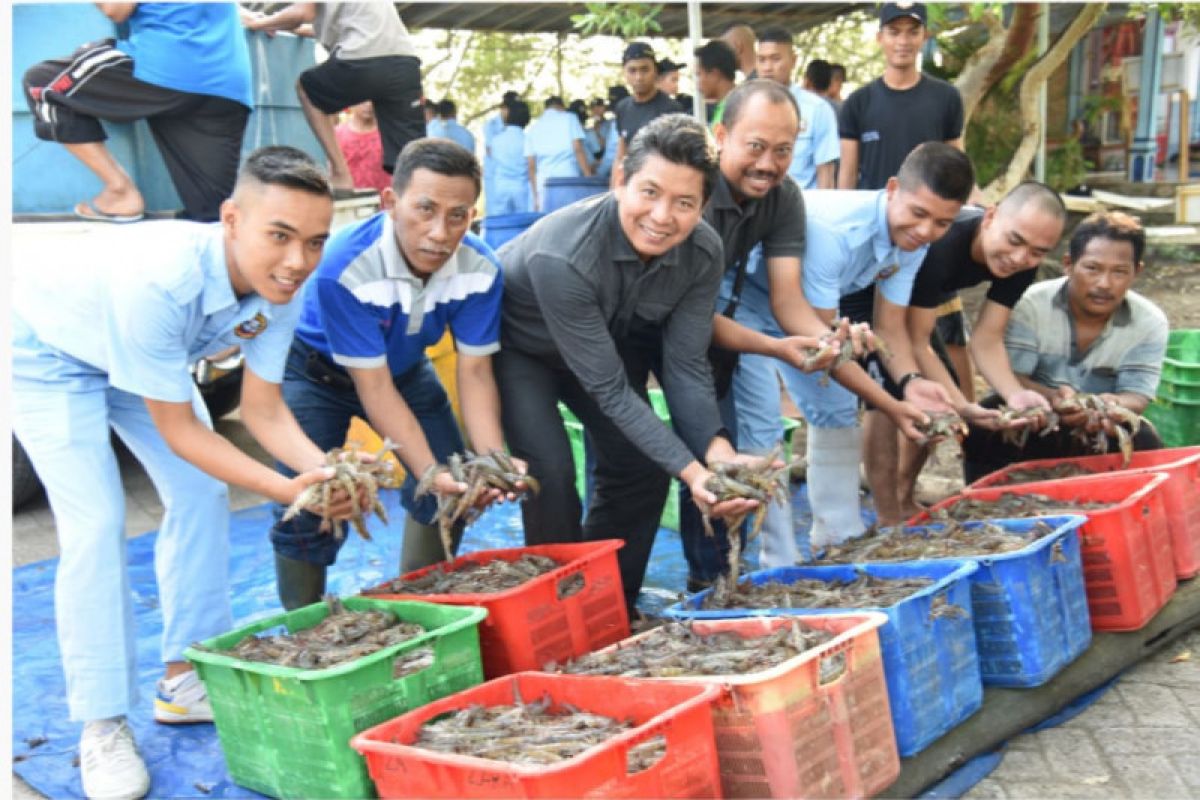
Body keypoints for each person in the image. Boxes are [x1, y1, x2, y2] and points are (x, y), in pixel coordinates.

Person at [11, 146, 345, 800]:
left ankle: (185, 677)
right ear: (230, 219)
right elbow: (182, 431)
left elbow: (264, 409)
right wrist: (286, 490)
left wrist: (328, 471)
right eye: (279, 236)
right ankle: (101, 723)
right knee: (97, 522)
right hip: (47, 351)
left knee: (199, 492)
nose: (297, 261)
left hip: (140, 357)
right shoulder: (163, 280)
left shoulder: (283, 286)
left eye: (313, 242)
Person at [496, 114, 764, 613]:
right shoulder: (566, 252)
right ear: (620, 179)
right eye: (649, 192)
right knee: (549, 475)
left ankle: (609, 603)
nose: (663, 216)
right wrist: (693, 473)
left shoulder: (703, 252)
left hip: (602, 346)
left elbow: (684, 364)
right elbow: (610, 391)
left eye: (684, 203)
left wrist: (716, 449)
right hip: (524, 350)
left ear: (704, 206)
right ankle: (557, 611)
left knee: (640, 464)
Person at [269, 138, 519, 608]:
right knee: (308, 501)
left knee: (455, 484)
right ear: (390, 202)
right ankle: (305, 625)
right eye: (424, 209)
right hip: (316, 375)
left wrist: (493, 460)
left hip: (406, 370)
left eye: (458, 215)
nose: (441, 232)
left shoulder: (482, 268)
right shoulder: (343, 268)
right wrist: (425, 471)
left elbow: (477, 373)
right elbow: (373, 389)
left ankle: (419, 600)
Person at [748, 143, 973, 551]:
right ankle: (779, 560)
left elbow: (892, 327)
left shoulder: (914, 242)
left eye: (942, 223)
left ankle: (837, 537)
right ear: (892, 189)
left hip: (808, 315)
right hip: (752, 303)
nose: (925, 232)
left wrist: (909, 382)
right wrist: (890, 405)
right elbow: (822, 345)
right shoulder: (836, 231)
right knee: (762, 424)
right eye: (918, 214)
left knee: (835, 408)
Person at [677, 80, 844, 589]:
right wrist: (775, 348)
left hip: (705, 336)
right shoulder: (693, 192)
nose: (768, 164)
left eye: (783, 151)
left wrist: (829, 341)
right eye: (755, 147)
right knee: (631, 475)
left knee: (720, 462)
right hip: (646, 332)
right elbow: (686, 317)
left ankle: (714, 588)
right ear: (721, 134)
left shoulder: (783, 198)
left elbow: (788, 300)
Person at [876, 182, 1069, 524]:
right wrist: (963, 405)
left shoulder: (1022, 264)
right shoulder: (942, 244)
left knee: (938, 403)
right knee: (887, 400)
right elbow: (915, 341)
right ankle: (886, 510)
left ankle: (904, 496)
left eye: (1038, 252)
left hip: (916, 303)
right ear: (990, 216)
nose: (1021, 258)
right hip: (873, 293)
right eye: (1015, 240)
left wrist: (1015, 394)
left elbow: (987, 339)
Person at [963, 211, 1168, 483]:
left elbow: (1137, 397)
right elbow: (1013, 379)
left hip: (1099, 424)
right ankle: (982, 498)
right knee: (984, 426)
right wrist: (1054, 398)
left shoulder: (1149, 322)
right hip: (1035, 416)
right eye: (1092, 268)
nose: (1104, 284)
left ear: (1137, 272)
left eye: (1119, 272)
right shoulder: (1030, 305)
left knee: (1144, 439)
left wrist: (1110, 405)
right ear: (1069, 264)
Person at [23, 2, 252, 222]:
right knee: (214, 212)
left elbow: (117, 9)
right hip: (227, 84)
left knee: (43, 84)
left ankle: (120, 191)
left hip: (163, 68)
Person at [241, 2, 425, 194]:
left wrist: (258, 23)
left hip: (364, 58)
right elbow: (347, 24)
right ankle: (417, 195)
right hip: (405, 63)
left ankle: (340, 172)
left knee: (308, 88)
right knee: (408, 156)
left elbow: (301, 13)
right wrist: (286, 26)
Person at [838, 3, 966, 192]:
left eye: (913, 32)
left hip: (928, 214)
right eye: (894, 32)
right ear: (880, 38)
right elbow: (847, 175)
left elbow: (956, 167)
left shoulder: (947, 97)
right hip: (875, 214)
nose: (903, 41)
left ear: (924, 37)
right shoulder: (857, 102)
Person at [755, 26, 839, 190]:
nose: (767, 67)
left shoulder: (817, 109)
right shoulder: (747, 108)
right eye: (762, 60)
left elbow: (826, 174)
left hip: (805, 209)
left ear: (793, 60)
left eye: (775, 59)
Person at [611, 42, 681, 186]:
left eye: (644, 70)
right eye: (632, 70)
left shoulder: (671, 109)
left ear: (655, 71)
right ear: (624, 72)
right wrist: (614, 192)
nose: (639, 77)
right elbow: (621, 156)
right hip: (633, 186)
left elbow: (677, 158)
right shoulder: (623, 108)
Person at [524, 96, 593, 211]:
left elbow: (531, 167)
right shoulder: (570, 118)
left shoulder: (532, 128)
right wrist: (588, 177)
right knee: (570, 221)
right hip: (568, 180)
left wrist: (536, 197)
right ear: (561, 107)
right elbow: (578, 150)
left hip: (544, 185)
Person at [486, 100, 533, 216]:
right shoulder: (527, 140)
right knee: (523, 224)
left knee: (501, 222)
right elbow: (531, 167)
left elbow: (492, 161)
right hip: (521, 187)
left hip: (500, 186)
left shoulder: (496, 141)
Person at [335, 101, 393, 193]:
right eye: (363, 100)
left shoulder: (389, 132)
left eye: (372, 100)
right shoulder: (338, 134)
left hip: (386, 200)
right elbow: (335, 172)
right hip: (353, 201)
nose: (368, 104)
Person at [694, 39, 738, 126]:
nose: (697, 85)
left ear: (714, 74)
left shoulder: (737, 109)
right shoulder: (722, 107)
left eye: (699, 75)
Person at [589, 97, 620, 179]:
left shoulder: (611, 123)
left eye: (599, 107)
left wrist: (597, 132)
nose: (596, 110)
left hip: (609, 160)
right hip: (600, 160)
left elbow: (605, 145)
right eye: (593, 108)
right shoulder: (590, 127)